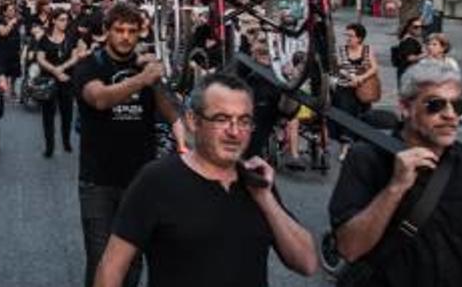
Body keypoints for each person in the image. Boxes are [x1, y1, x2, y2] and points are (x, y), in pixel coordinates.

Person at [94, 74, 318, 287]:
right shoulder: (156, 180)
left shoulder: (257, 182)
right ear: (192, 121)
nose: (234, 131)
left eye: (244, 121)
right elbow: (112, 267)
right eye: (221, 119)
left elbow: (307, 263)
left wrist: (266, 198)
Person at [328, 62, 462, 286]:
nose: (450, 115)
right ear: (405, 107)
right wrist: (395, 188)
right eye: (435, 105)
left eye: (458, 105)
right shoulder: (367, 158)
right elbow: (349, 248)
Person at [73, 2, 182, 287]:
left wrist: (156, 80)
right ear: (106, 32)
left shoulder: (147, 67)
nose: (125, 37)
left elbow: (172, 113)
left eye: (131, 31)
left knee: (132, 263)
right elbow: (99, 99)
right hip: (98, 182)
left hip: (140, 182)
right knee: (101, 263)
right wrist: (141, 79)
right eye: (119, 30)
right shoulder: (89, 66)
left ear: (139, 34)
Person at [37, 9, 87, 157]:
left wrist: (61, 69)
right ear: (54, 20)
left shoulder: (70, 38)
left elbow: (75, 57)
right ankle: (49, 146)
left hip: (66, 80)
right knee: (48, 115)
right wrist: (55, 71)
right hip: (48, 81)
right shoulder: (44, 39)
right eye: (61, 19)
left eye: (66, 20)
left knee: (67, 114)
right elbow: (40, 58)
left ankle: (66, 141)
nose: (65, 23)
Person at [333, 23, 379, 161]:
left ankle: (360, 149)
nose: (347, 38)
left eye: (351, 36)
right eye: (346, 35)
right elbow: (339, 67)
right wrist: (351, 77)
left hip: (363, 90)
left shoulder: (367, 49)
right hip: (345, 90)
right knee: (346, 119)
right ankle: (345, 149)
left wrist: (361, 78)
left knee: (362, 118)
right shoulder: (341, 50)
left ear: (359, 38)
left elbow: (374, 67)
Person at [0, 3, 23, 98]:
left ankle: (12, 89)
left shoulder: (18, 21)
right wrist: (11, 23)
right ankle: (3, 87)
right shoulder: (0, 20)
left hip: (15, 49)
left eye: (13, 10)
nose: (13, 12)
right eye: (10, 10)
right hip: (4, 49)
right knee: (3, 70)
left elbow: (21, 34)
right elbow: (3, 33)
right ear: (4, 12)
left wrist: (21, 48)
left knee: (15, 72)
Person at [393, 16, 425, 85]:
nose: (419, 29)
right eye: (415, 27)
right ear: (409, 27)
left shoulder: (410, 39)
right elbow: (410, 58)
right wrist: (426, 54)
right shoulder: (409, 41)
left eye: (421, 27)